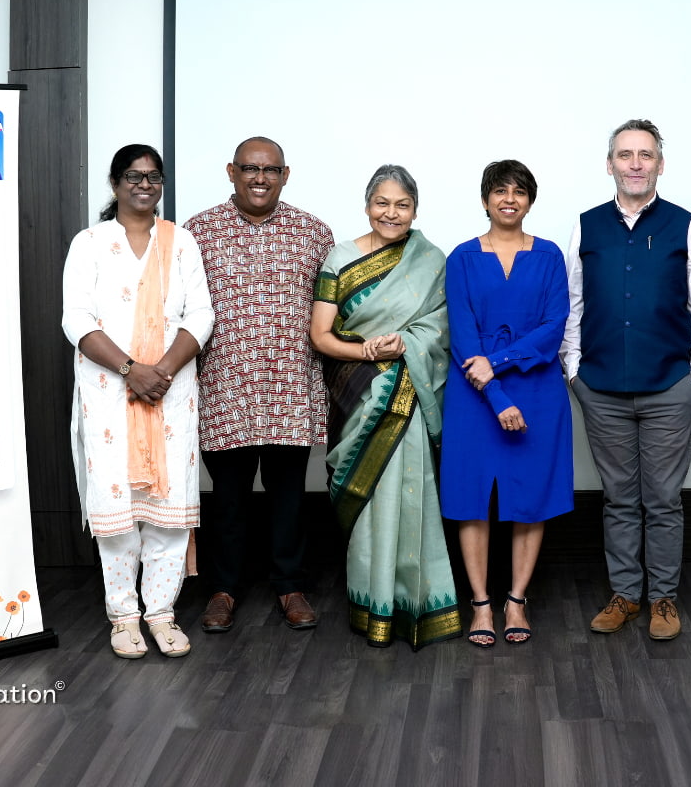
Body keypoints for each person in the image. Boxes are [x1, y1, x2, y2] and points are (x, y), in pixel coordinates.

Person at [561, 119, 691, 641]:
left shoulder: (684, 224)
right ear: (609, 164)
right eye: (625, 155)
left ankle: (664, 600)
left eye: (645, 155)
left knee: (664, 499)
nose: (635, 163)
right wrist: (574, 370)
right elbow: (572, 305)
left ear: (659, 164)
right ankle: (626, 594)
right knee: (619, 498)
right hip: (601, 389)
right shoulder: (586, 225)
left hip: (668, 387)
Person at [62, 143, 214, 659]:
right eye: (133, 176)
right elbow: (76, 319)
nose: (144, 185)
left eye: (153, 176)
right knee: (119, 514)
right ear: (115, 183)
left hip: (170, 396)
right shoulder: (90, 243)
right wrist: (131, 371)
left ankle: (163, 614)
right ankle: (124, 617)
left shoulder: (181, 242)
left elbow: (201, 316)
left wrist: (162, 371)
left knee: (169, 514)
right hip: (108, 396)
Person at [185, 137, 335, 633]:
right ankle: (223, 590)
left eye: (270, 170)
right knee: (227, 501)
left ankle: (290, 587)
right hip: (225, 391)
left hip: (290, 390)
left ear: (286, 175)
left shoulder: (314, 234)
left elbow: (335, 313)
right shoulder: (197, 232)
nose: (259, 178)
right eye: (249, 168)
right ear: (231, 171)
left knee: (288, 500)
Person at [310, 164, 460, 649]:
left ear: (415, 210)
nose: (391, 213)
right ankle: (371, 601)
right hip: (358, 389)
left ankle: (420, 603)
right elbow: (320, 336)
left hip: (410, 393)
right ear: (367, 204)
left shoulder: (431, 259)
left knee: (413, 491)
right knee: (372, 497)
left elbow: (439, 330)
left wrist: (403, 347)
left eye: (402, 205)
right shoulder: (339, 257)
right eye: (382, 203)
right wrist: (368, 352)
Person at [440, 160, 573, 647]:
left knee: (529, 498)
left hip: (537, 391)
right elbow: (462, 332)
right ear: (484, 199)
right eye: (500, 191)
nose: (509, 199)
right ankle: (479, 603)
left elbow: (553, 327)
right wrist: (494, 391)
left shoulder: (550, 255)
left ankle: (516, 599)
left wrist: (498, 362)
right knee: (472, 498)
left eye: (519, 191)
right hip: (473, 394)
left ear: (530, 201)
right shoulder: (461, 258)